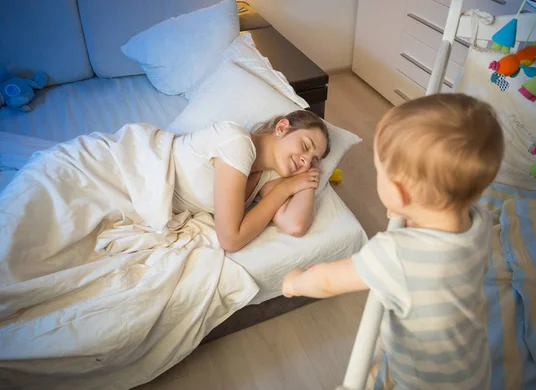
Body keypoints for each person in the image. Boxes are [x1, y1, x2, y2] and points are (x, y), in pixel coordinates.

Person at [282, 94, 504, 390]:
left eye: (380, 171)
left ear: (399, 193)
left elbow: (326, 281)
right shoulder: (478, 220)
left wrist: (295, 283)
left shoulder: (399, 254)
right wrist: (410, 210)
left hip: (424, 381)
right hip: (472, 367)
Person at [172, 109, 330, 252]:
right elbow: (230, 241)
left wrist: (310, 173)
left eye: (313, 160)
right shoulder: (237, 142)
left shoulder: (269, 176)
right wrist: (285, 189)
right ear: (282, 128)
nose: (306, 160)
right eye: (305, 145)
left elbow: (295, 225)